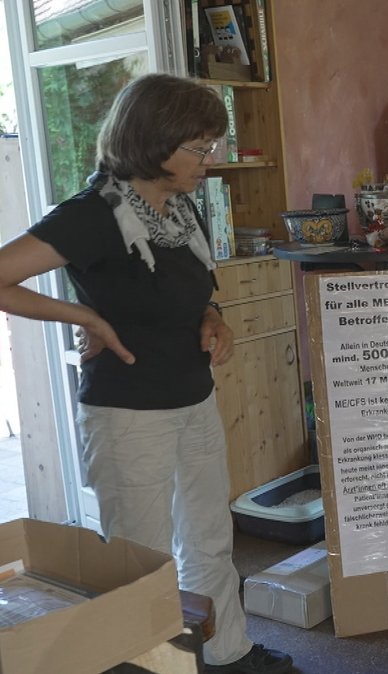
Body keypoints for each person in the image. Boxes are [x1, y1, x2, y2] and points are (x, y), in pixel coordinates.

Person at [0, 74, 292, 674]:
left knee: (211, 538)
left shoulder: (179, 209)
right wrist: (84, 316)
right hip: (129, 413)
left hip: (193, 398)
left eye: (212, 145)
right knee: (142, 562)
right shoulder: (92, 215)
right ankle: (160, 668)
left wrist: (216, 319)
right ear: (154, 140)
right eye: (200, 148)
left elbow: (194, 294)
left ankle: (227, 652)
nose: (210, 161)